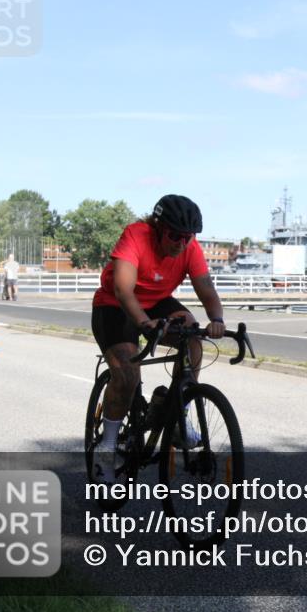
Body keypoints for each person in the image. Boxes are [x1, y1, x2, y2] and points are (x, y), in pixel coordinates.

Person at [90, 194, 226, 484]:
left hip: (156, 302)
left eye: (187, 237)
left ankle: (178, 414)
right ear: (158, 228)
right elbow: (123, 290)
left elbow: (206, 288)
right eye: (175, 236)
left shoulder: (189, 247)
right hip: (115, 305)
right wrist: (144, 324)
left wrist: (217, 320)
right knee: (127, 374)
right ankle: (106, 449)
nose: (181, 243)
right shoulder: (136, 235)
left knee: (192, 336)